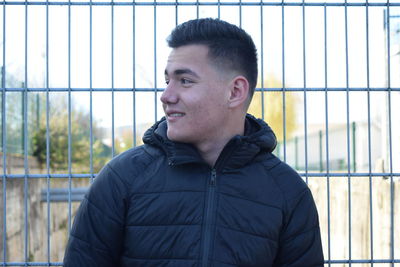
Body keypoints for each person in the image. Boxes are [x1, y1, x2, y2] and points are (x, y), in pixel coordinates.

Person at [63, 18, 324, 266]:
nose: (166, 96)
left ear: (235, 92)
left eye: (185, 81)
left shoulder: (288, 193)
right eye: (167, 81)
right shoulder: (121, 179)